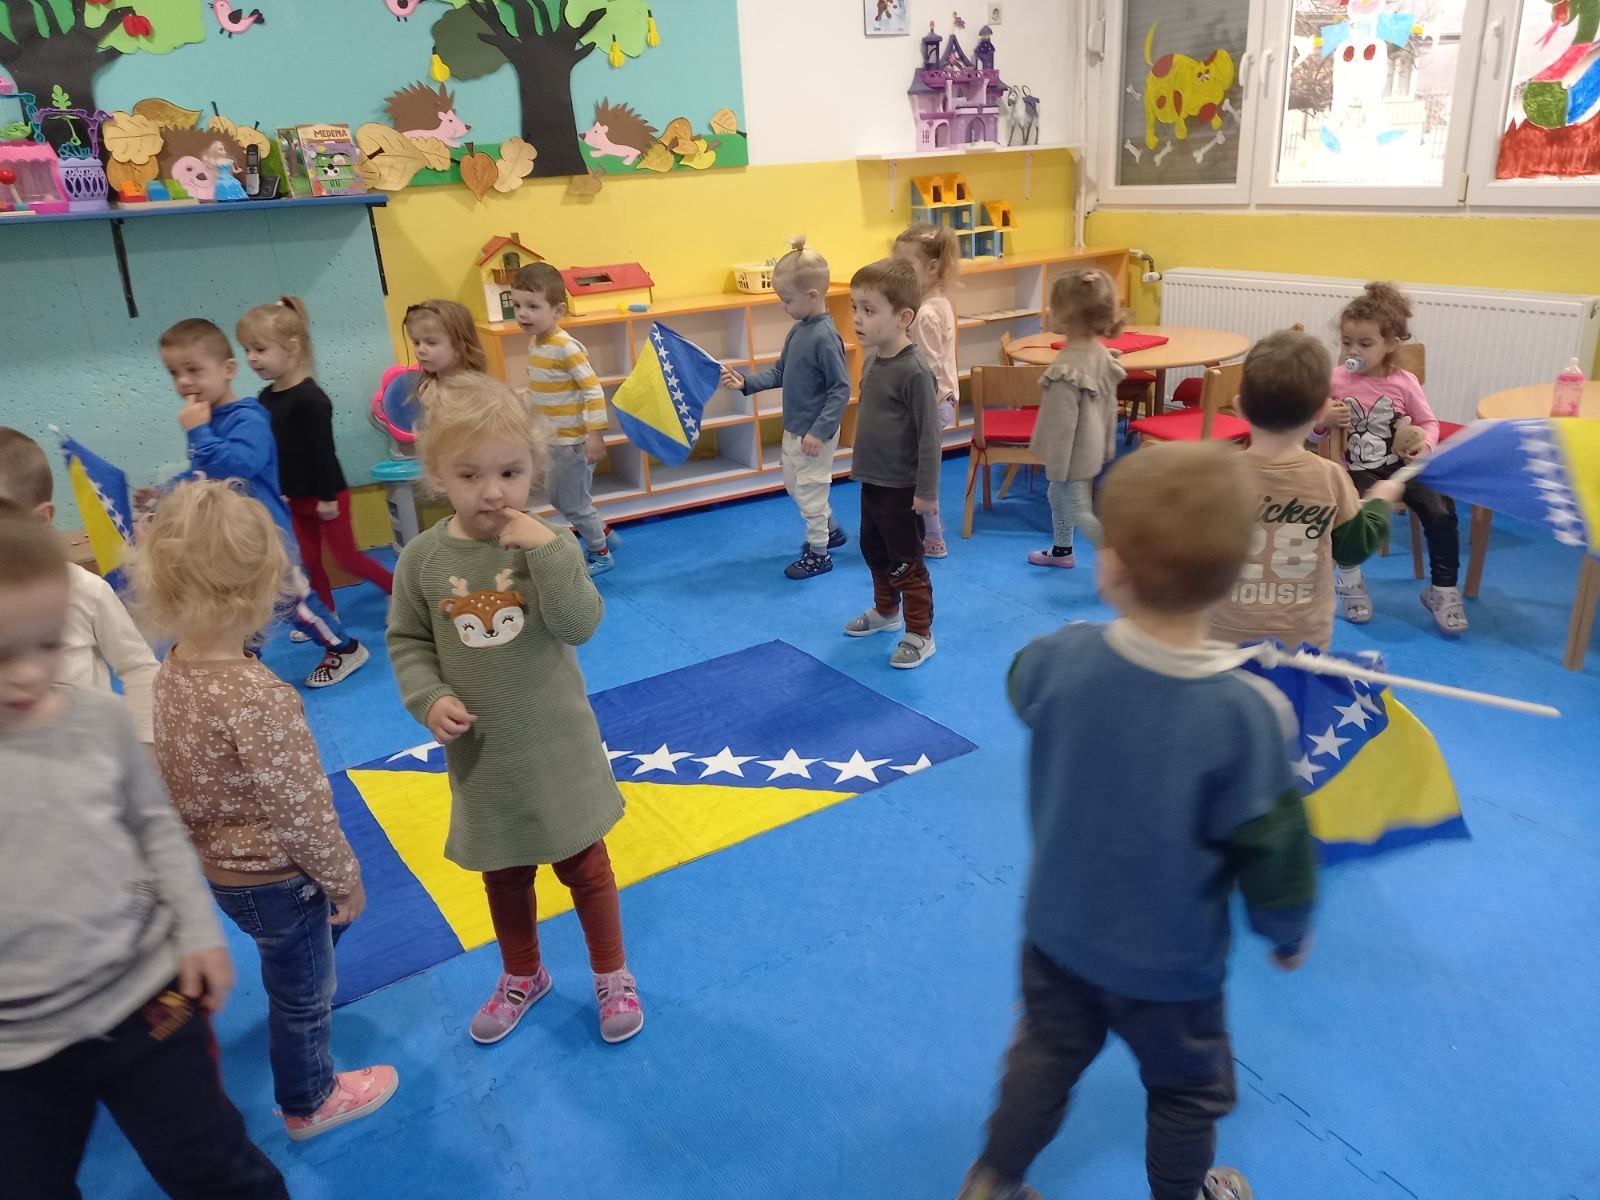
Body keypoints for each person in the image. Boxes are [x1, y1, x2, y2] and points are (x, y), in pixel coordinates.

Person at [957, 442, 1316, 1200]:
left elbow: (1020, 683)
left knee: (1044, 1055)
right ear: (1232, 580)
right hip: (1172, 966)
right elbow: (1276, 852)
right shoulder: (1250, 717)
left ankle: (994, 1179)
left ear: (1110, 567)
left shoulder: (1060, 657)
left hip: (1058, 935)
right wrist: (1287, 934)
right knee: (1187, 1091)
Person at [0, 509, 289, 1200]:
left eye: (49, 643)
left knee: (213, 1166)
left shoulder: (97, 721)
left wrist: (198, 930)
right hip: (18, 1044)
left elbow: (155, 827)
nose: (30, 673)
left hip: (145, 998)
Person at [387, 373, 644, 1047]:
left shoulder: (547, 544)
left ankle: (612, 972)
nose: (493, 492)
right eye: (469, 475)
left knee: (586, 866)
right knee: (503, 873)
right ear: (438, 476)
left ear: (534, 467)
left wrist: (552, 551)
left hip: (558, 746)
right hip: (485, 755)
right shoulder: (422, 560)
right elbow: (408, 640)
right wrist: (429, 697)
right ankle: (523, 973)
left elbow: (580, 624)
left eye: (510, 472)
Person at [136, 480, 397, 1142]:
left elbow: (174, 769)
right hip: (279, 879)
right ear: (259, 591)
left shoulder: (173, 669)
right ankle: (311, 1100)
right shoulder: (257, 695)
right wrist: (345, 878)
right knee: (303, 995)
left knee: (295, 959)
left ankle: (301, 985)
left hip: (223, 874)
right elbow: (301, 811)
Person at [149, 319, 367, 687]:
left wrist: (197, 431)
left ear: (228, 369)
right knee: (242, 604)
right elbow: (204, 472)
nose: (184, 381)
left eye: (194, 370)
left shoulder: (247, 418)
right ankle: (241, 666)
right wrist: (165, 493)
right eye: (174, 372)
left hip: (269, 536)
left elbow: (239, 466)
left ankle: (345, 649)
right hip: (234, 537)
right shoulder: (207, 420)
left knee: (295, 602)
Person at [1210, 330, 1397, 651]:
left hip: (1221, 633)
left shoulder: (1215, 476)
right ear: (1320, 412)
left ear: (1240, 407)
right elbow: (1352, 550)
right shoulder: (1330, 477)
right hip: (1301, 638)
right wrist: (1380, 502)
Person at [1318, 281, 1466, 635]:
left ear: (1391, 344)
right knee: (1348, 513)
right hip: (1354, 469)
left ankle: (1443, 590)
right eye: (1347, 342)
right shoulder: (1335, 379)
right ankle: (1349, 582)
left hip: (1401, 468)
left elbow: (1428, 423)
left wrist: (1424, 446)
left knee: (1441, 510)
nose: (1354, 350)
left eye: (1365, 343)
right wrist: (1323, 420)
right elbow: (1313, 434)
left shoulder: (1404, 382)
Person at [237, 296, 394, 625]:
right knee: (308, 561)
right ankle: (326, 614)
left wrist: (327, 498)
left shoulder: (312, 399)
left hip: (328, 495)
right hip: (293, 497)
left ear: (291, 347)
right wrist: (278, 489)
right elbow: (273, 451)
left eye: (260, 349)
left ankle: (397, 591)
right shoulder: (265, 398)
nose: (251, 358)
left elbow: (323, 452)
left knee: (347, 558)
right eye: (247, 350)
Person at [0, 427, 158, 742]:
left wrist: (144, 742)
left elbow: (139, 667)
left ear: (41, 519)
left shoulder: (85, 589)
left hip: (87, 751)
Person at [721, 235, 851, 580]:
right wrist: (746, 382)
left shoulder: (825, 337)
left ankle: (820, 554)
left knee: (810, 492)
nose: (783, 306)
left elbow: (841, 388)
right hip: (795, 429)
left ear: (812, 295)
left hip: (814, 434)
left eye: (787, 300)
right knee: (796, 486)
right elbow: (781, 371)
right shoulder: (799, 330)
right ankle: (831, 530)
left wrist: (819, 431)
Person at [843, 257, 941, 669]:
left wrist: (927, 492)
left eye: (869, 310)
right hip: (873, 481)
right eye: (855, 308)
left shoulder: (915, 372)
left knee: (906, 560)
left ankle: (920, 633)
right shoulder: (872, 361)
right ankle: (886, 612)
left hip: (902, 488)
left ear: (904, 318)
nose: (857, 318)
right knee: (874, 550)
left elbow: (929, 436)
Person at [508, 262, 621, 578]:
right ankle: (605, 535)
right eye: (517, 305)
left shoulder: (566, 347)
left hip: (573, 442)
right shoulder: (536, 343)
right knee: (564, 497)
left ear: (557, 311)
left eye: (533, 306)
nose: (522, 314)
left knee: (571, 502)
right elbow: (541, 389)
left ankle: (600, 553)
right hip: (553, 439)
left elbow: (593, 389)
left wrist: (595, 433)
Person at [1025, 269, 1126, 571]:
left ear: (1066, 315)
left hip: (1071, 455)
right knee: (1058, 495)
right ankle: (1062, 551)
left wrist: (1056, 467)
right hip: (1090, 446)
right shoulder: (1100, 353)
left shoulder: (1067, 367)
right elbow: (1110, 405)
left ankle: (1123, 564)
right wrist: (1107, 444)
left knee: (1079, 508)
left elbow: (1062, 425)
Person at [895, 223, 962, 559]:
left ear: (933, 267)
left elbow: (928, 370)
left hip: (931, 403)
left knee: (920, 474)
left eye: (906, 266)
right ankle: (921, 531)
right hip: (940, 399)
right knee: (918, 470)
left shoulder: (925, 314)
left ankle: (933, 538)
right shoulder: (937, 303)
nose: (898, 273)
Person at [405, 298, 487, 406]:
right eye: (416, 342)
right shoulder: (427, 386)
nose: (420, 350)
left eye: (431, 343)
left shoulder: (472, 393)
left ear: (458, 348)